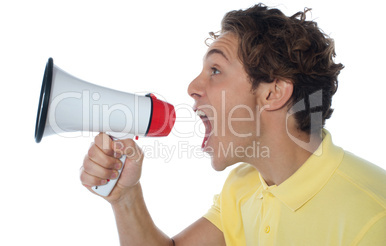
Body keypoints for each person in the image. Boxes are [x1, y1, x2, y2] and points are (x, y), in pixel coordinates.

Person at [79, 4, 386, 245]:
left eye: (215, 70)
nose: (192, 86)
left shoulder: (373, 219)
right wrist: (125, 197)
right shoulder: (243, 186)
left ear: (272, 92)